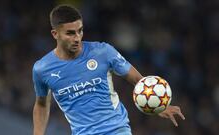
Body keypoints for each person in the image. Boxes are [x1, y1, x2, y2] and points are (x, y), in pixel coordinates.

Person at [32, 5, 185, 135]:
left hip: (116, 129)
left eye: (80, 30)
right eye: (70, 33)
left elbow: (139, 81)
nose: (77, 38)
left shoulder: (103, 52)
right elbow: (42, 104)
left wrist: (159, 105)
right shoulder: (42, 69)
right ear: (55, 34)